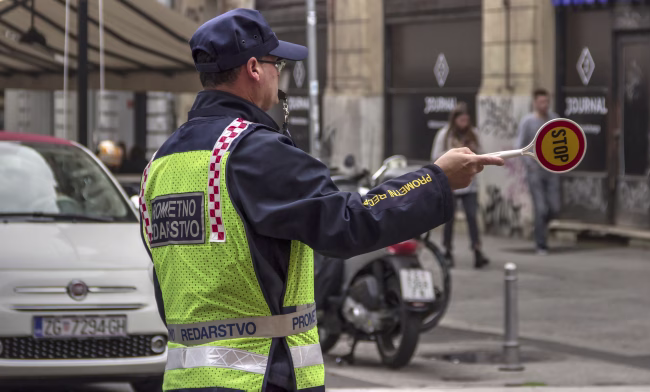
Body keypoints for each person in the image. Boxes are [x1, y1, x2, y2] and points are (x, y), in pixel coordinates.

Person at [138, 9, 504, 392]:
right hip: (262, 378)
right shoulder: (253, 152)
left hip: (185, 380)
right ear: (253, 69)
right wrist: (437, 180)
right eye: (277, 63)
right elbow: (348, 223)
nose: (281, 73)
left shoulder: (161, 164)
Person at [431, 102, 489, 269]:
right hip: (451, 183)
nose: (464, 123)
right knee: (449, 217)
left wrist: (473, 151)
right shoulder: (445, 135)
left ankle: (477, 250)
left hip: (470, 183)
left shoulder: (474, 134)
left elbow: (482, 154)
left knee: (472, 216)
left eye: (466, 120)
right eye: (461, 120)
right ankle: (447, 250)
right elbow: (436, 157)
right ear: (455, 120)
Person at [515, 88, 560, 255]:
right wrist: (529, 163)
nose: (544, 105)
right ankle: (541, 243)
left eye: (547, 101)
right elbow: (519, 146)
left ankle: (540, 227)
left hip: (552, 171)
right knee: (540, 208)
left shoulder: (554, 119)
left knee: (554, 208)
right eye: (541, 102)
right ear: (535, 103)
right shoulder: (528, 122)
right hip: (535, 172)